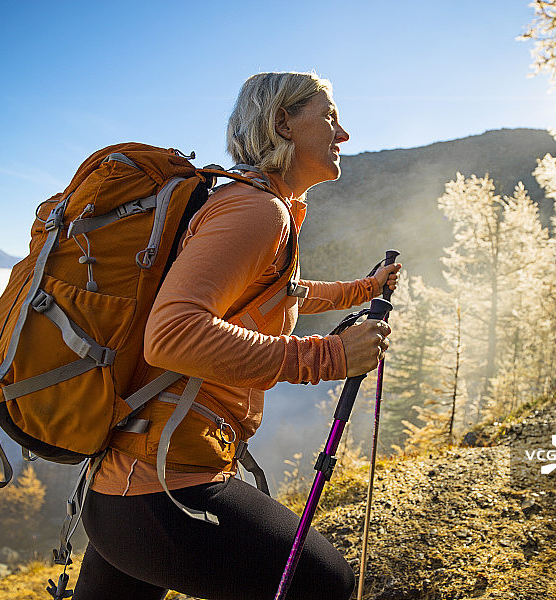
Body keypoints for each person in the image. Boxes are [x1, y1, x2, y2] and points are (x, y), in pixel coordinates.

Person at [72, 71, 401, 600]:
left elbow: (279, 292)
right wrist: (329, 356)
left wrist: (361, 289)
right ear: (282, 123)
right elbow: (172, 335)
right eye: (330, 119)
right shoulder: (255, 210)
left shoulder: (261, 206)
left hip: (129, 489)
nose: (343, 136)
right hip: (162, 488)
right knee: (323, 584)